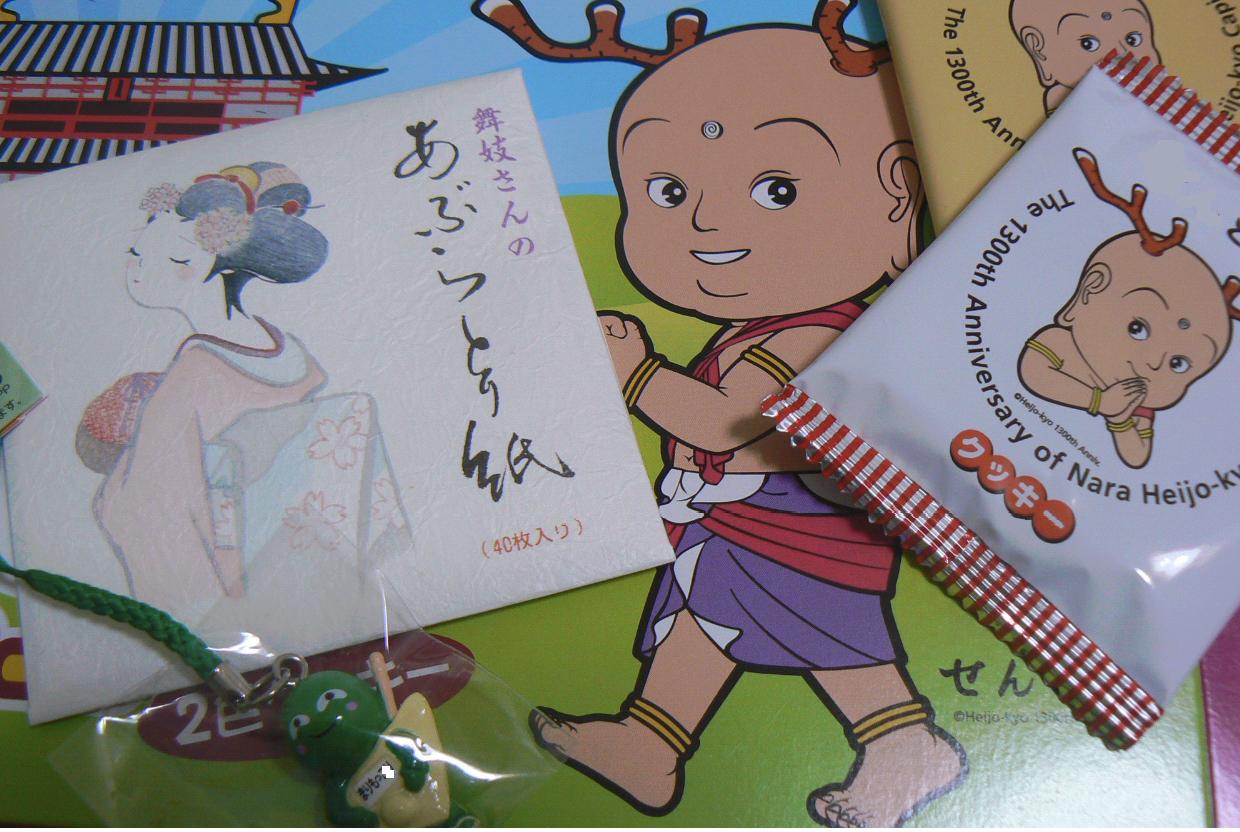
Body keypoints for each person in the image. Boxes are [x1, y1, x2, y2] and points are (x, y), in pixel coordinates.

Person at [474, 0, 968, 825]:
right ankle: (650, 743)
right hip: (733, 518)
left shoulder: (817, 335)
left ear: (897, 196)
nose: (705, 220)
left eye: (776, 189)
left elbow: (725, 422)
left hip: (801, 527)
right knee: (702, 624)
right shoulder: (760, 326)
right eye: (667, 191)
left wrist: (638, 375)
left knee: (834, 640)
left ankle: (906, 743)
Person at [83, 163, 329, 615]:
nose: (138, 269)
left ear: (219, 266)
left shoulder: (197, 372)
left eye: (175, 260)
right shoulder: (294, 355)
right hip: (295, 556)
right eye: (136, 253)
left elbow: (143, 505)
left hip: (229, 580)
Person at [1018, 149, 1236, 469]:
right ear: (1089, 292)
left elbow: (1137, 456)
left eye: (1179, 363)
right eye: (1138, 328)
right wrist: (1099, 401)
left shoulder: (1138, 398)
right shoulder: (1059, 342)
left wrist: (1119, 418)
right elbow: (1034, 373)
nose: (1154, 362)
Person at [1009, 0, 1159, 115]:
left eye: (1133, 39)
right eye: (1088, 44)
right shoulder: (1066, 108)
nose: (1123, 55)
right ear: (1038, 47)